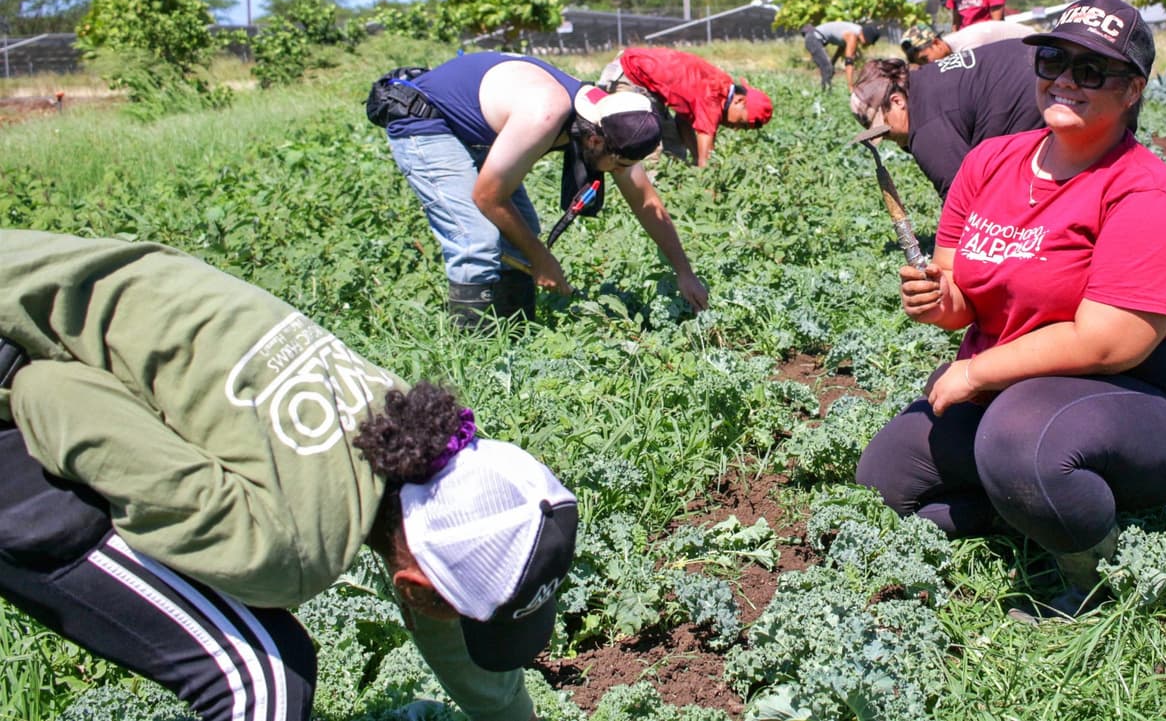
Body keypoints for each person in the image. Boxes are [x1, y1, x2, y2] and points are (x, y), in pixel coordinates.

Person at [0, 230, 578, 721]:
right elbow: (49, 392)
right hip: (25, 364)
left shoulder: (403, 422)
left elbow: (441, 612)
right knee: (263, 681)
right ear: (415, 591)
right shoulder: (287, 547)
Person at [855, 0, 1166, 620]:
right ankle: (1029, 511)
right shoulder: (991, 161)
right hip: (1019, 382)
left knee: (1021, 438)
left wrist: (974, 371)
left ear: (1132, 89)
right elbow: (961, 287)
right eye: (1053, 59)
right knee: (885, 480)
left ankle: (1100, 576)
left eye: (1091, 71)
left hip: (1143, 391)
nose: (1064, 80)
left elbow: (1109, 343)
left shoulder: (1145, 193)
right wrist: (940, 300)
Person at [375, 52, 709, 328]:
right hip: (426, 121)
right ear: (594, 140)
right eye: (619, 166)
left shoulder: (609, 120)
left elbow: (646, 201)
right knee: (476, 240)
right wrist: (542, 259)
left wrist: (684, 272)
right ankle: (474, 359)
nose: (621, 174)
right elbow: (487, 197)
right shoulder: (546, 114)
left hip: (474, 129)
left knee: (522, 235)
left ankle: (512, 343)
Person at [849, 41, 1044, 199]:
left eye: (885, 129)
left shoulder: (927, 131)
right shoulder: (923, 80)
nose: (888, 137)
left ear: (897, 101)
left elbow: (961, 201)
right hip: (1037, 58)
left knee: (1009, 192)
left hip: (1031, 91)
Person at [596, 46, 773, 167]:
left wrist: (695, 158)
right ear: (739, 101)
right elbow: (707, 158)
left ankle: (674, 191)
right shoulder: (714, 95)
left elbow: (683, 122)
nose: (735, 128)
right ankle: (650, 205)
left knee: (674, 145)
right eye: (740, 123)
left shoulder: (718, 86)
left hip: (647, 87)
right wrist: (708, 184)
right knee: (648, 146)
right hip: (629, 76)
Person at [900, 19, 1036, 65]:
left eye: (925, 59)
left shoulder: (967, 48)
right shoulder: (955, 47)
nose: (927, 65)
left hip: (1035, 48)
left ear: (936, 43)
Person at [801, 21, 881, 90]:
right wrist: (851, 87)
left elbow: (841, 49)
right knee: (827, 68)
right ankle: (826, 95)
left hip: (813, 37)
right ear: (867, 38)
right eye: (869, 43)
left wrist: (833, 63)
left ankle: (826, 92)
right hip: (812, 38)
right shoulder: (852, 36)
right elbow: (849, 62)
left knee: (829, 68)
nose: (868, 45)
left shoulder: (855, 30)